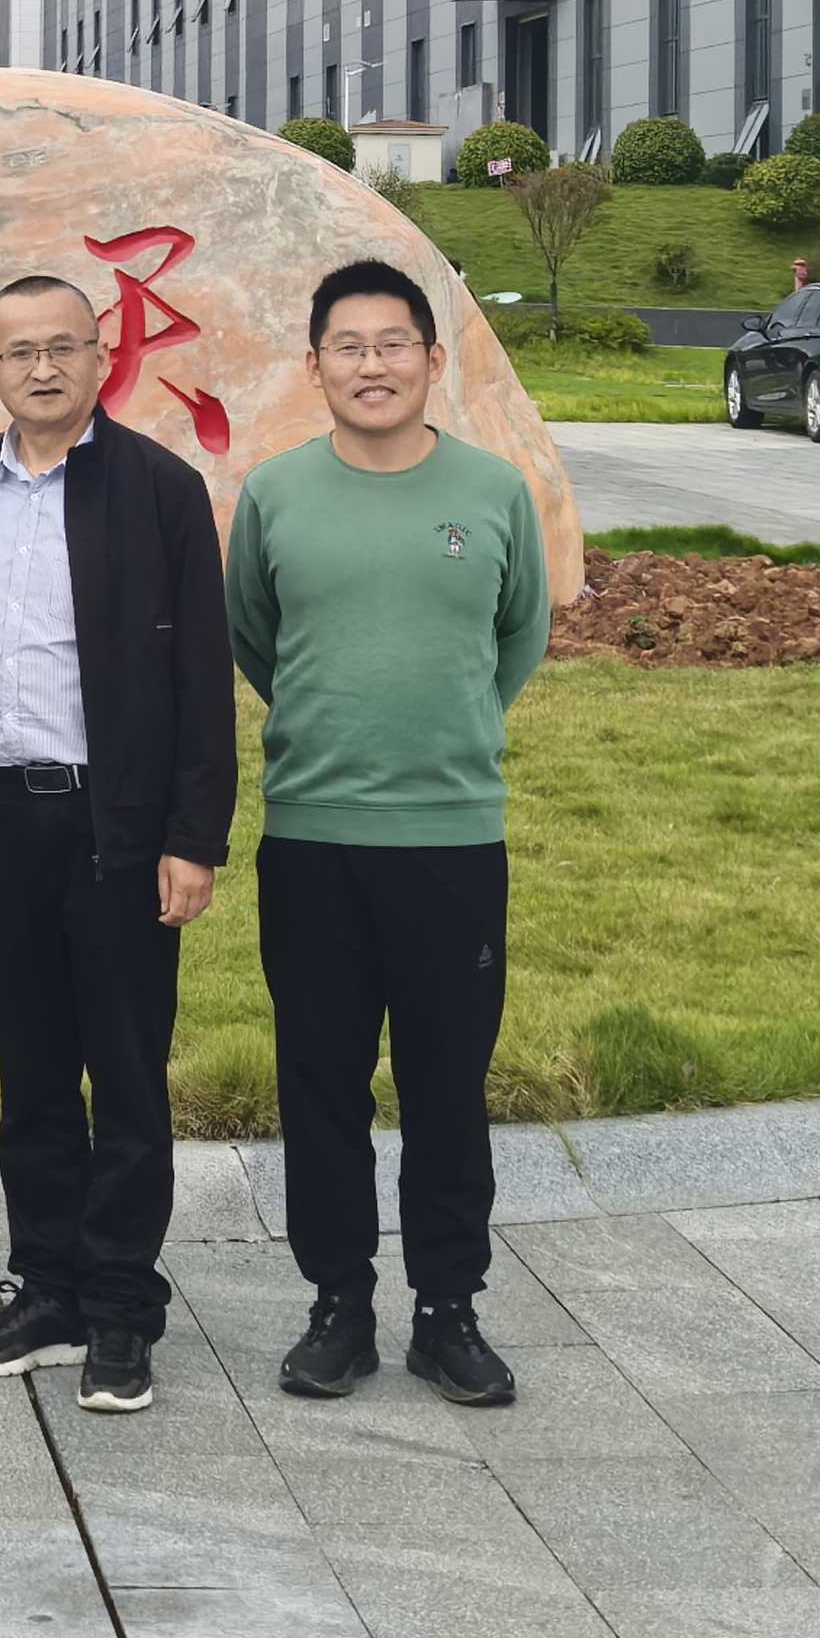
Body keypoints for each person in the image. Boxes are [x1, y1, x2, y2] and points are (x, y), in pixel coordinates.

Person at [226, 258, 550, 1409]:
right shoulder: (274, 493)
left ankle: (447, 1310)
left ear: (431, 359)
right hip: (313, 837)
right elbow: (254, 636)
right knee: (320, 1082)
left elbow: (518, 636)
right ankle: (339, 1306)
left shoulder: (492, 492)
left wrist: (445, 736)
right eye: (349, 347)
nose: (373, 365)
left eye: (393, 343)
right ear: (314, 365)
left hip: (451, 839)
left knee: (447, 1085)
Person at [0, 275, 233, 1415]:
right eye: (19, 353)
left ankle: (120, 1308)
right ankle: (47, 1288)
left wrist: (191, 837)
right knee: (32, 1070)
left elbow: (200, 675)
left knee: (127, 1073)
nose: (42, 368)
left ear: (103, 358)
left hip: (117, 825)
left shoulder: (157, 487)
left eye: (63, 347)